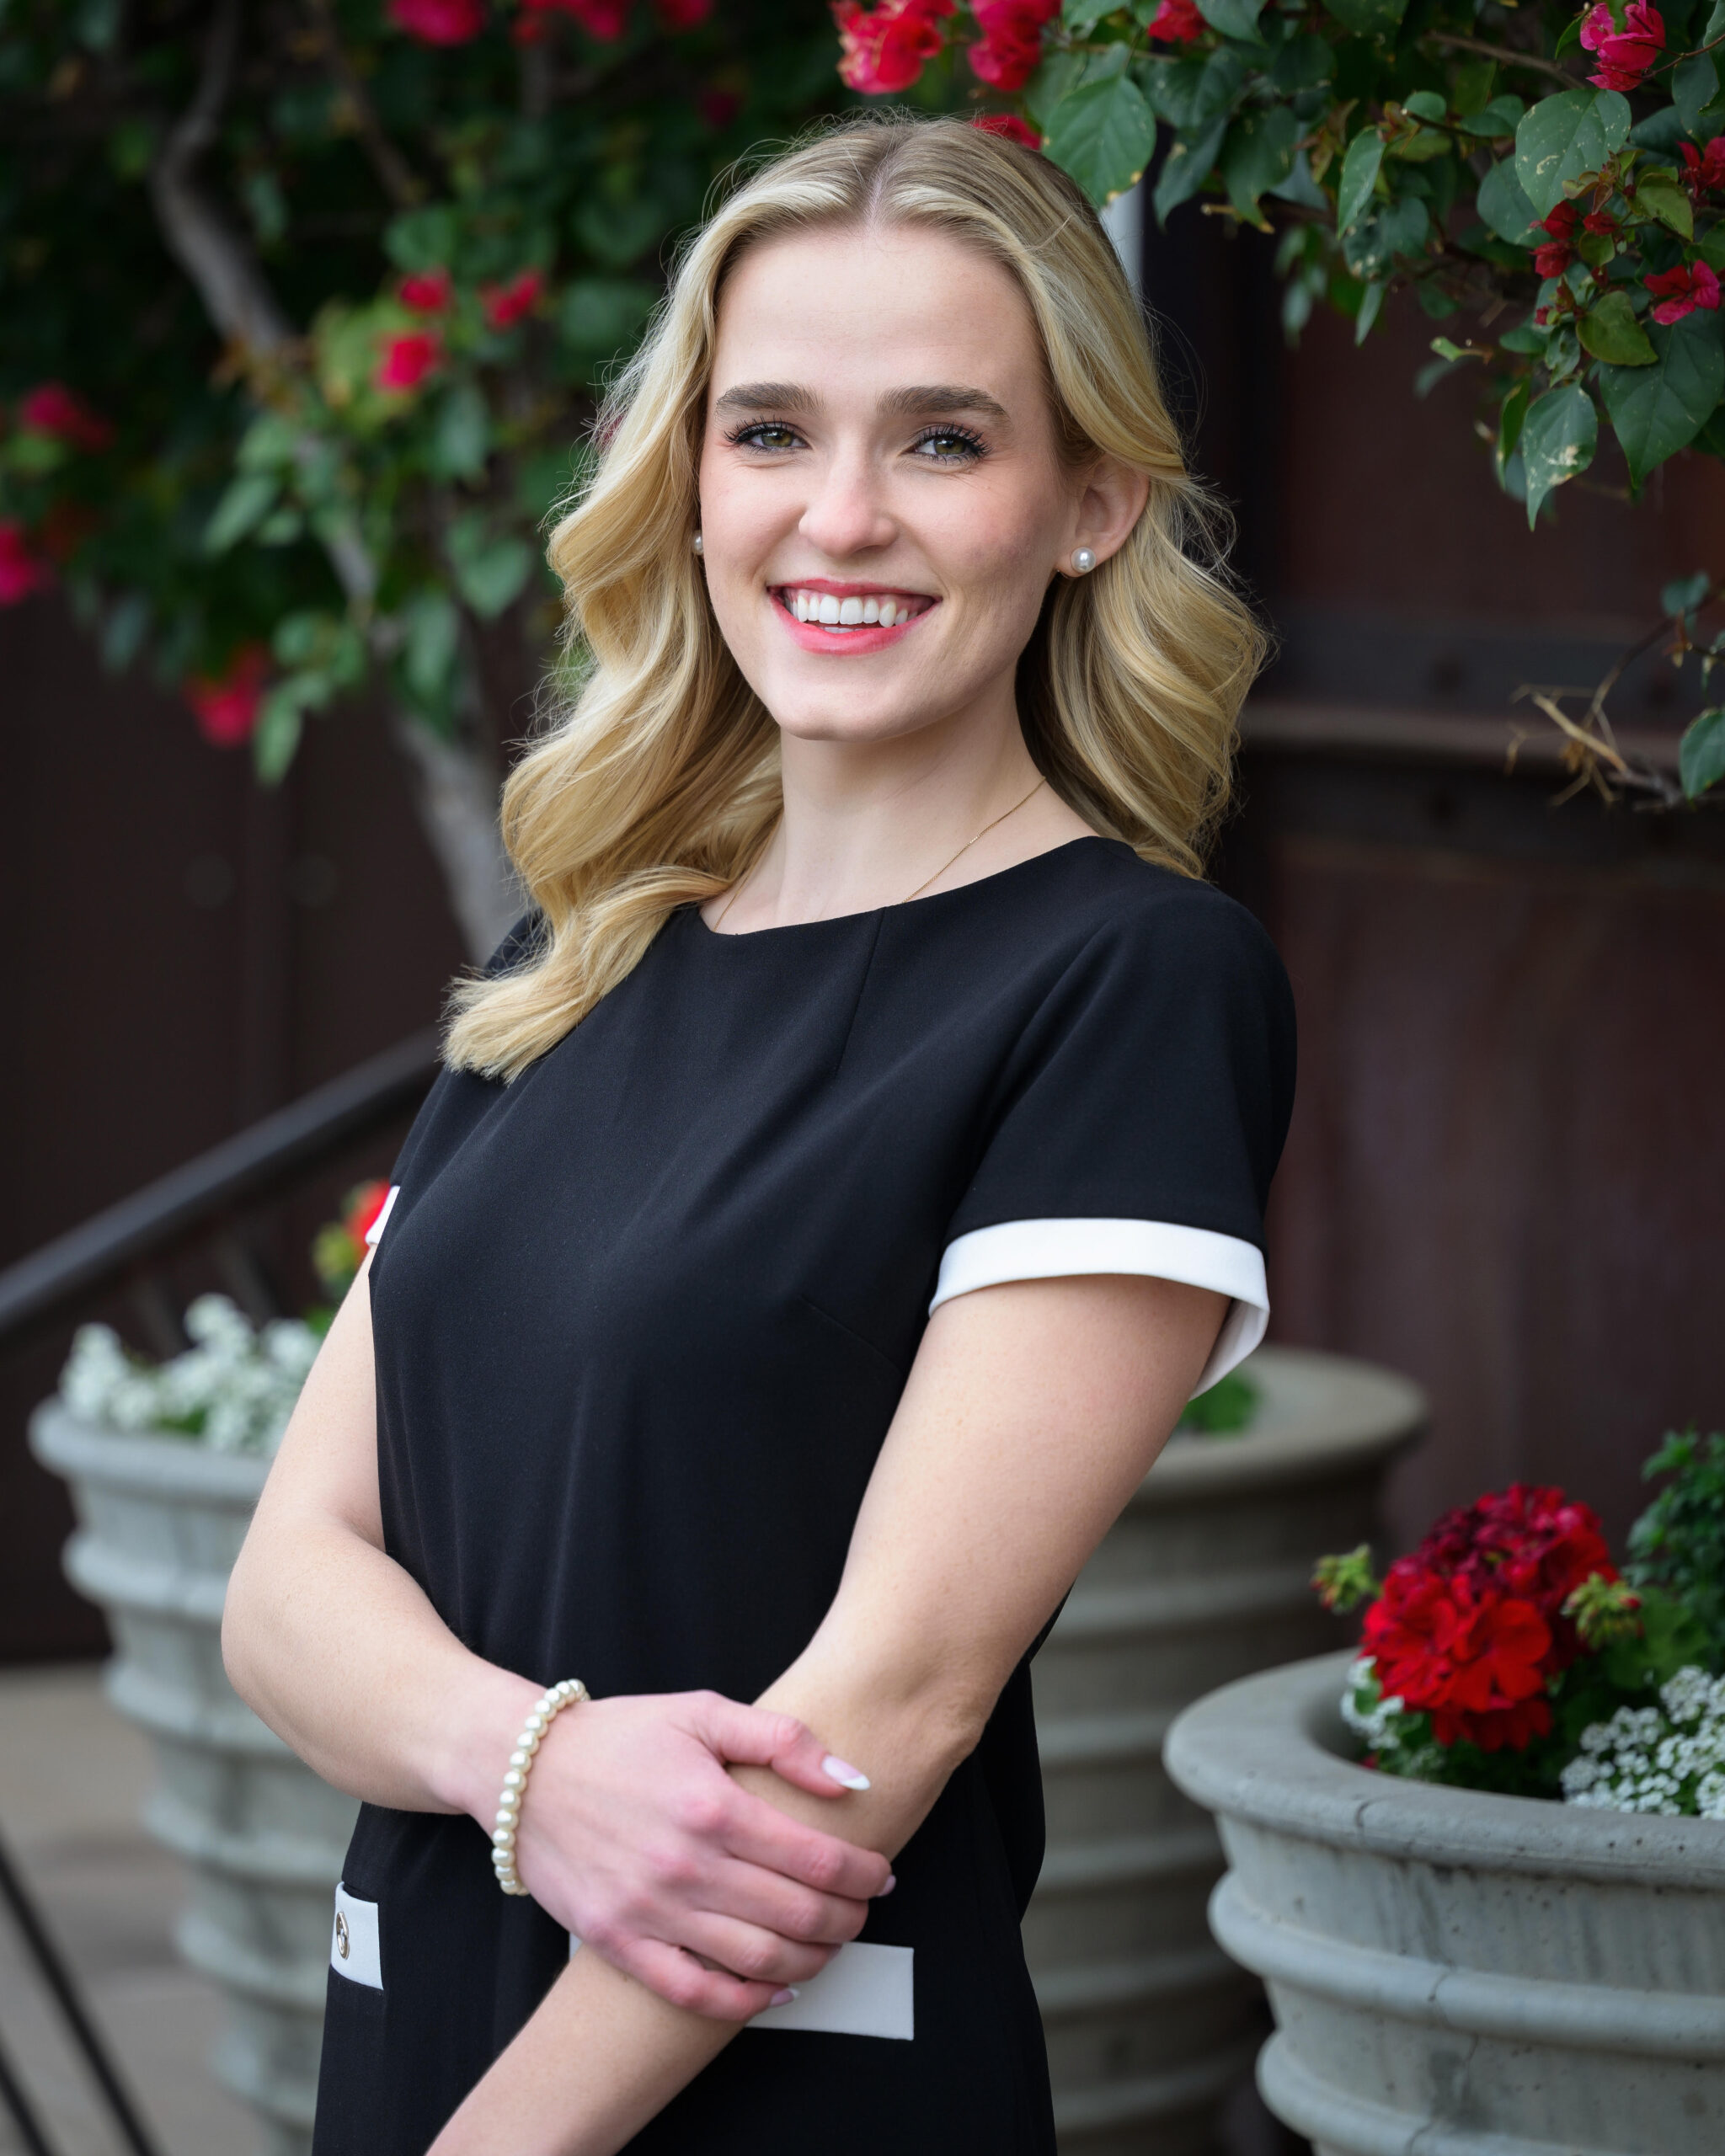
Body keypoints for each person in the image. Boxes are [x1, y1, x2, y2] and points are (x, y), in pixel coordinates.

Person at [222, 113, 1295, 2156]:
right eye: (772, 431)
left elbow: (890, 1707)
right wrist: (533, 1761)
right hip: (415, 2038)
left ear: (1089, 503)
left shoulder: (1132, 983)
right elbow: (287, 1589)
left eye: (944, 440)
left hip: (767, 2099)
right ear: (693, 482)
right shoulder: (571, 958)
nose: (842, 515)